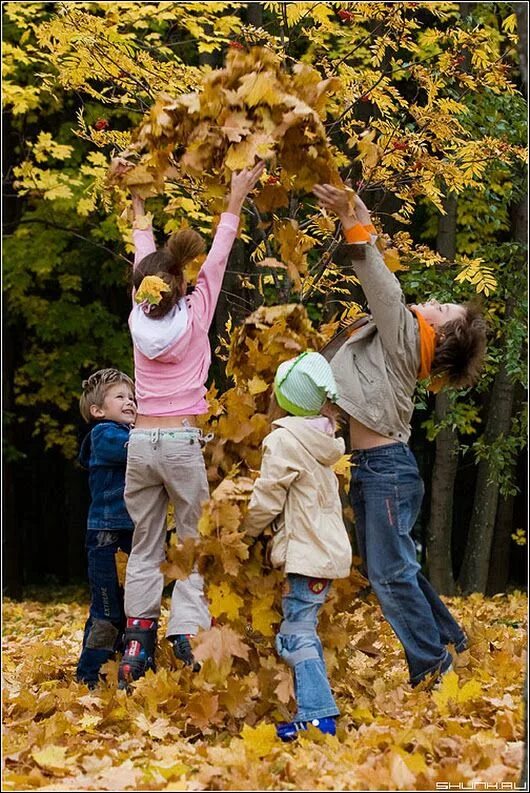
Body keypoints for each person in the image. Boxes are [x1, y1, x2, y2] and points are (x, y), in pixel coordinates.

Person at [312, 182, 487, 688]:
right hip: (377, 472)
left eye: (443, 307)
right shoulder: (399, 342)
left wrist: (354, 218)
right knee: (396, 567)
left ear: (440, 333)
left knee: (389, 576)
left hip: (386, 472)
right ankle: (450, 639)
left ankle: (433, 666)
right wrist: (356, 211)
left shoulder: (408, 337)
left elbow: (380, 283)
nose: (430, 301)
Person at [117, 161, 265, 688]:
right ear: (181, 285)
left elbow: (143, 256)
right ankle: (185, 632)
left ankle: (137, 640)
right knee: (192, 539)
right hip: (181, 438)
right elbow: (219, 255)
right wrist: (235, 195)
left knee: (145, 542)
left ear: (145, 290)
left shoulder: (137, 318)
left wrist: (137, 204)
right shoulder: (197, 312)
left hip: (140, 443)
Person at [244, 351, 352, 740]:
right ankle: (314, 711)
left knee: (296, 633)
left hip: (307, 556)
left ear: (285, 399)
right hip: (322, 553)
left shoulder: (285, 440)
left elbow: (268, 494)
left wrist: (246, 531)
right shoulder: (322, 440)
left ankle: (318, 716)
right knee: (300, 628)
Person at [76, 368, 137, 688]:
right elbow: (132, 450)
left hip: (125, 534)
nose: (130, 402)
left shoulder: (128, 433)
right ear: (98, 410)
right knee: (108, 611)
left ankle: (111, 670)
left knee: (124, 607)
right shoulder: (105, 435)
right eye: (120, 397)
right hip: (106, 536)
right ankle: (88, 676)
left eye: (131, 397)